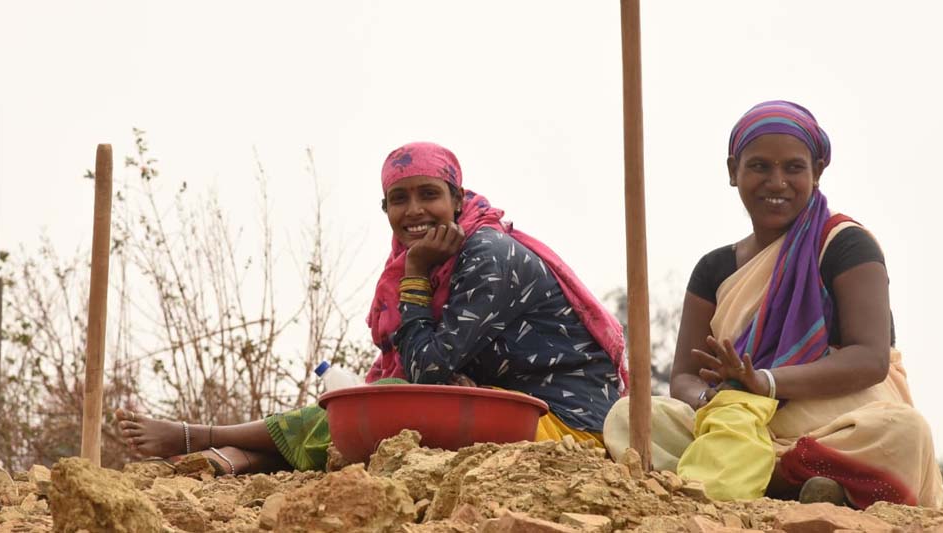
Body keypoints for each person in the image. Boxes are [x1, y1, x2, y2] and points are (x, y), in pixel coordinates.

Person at [117, 141, 627, 474]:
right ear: (385, 210)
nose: (414, 210)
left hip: (566, 426)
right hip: (507, 406)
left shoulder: (487, 254)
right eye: (399, 199)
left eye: (429, 194)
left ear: (457, 199)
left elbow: (427, 373)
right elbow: (431, 369)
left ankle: (204, 437)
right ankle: (247, 457)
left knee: (389, 406)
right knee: (384, 408)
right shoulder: (436, 256)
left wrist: (414, 277)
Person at [603, 101, 942, 509]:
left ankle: (752, 476)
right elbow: (685, 377)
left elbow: (870, 359)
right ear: (734, 171)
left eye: (794, 168)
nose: (777, 182)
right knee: (630, 416)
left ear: (817, 171)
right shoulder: (714, 269)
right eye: (760, 167)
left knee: (903, 431)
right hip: (736, 421)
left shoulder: (844, 244)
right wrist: (716, 402)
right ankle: (796, 479)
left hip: (832, 417)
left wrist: (766, 382)